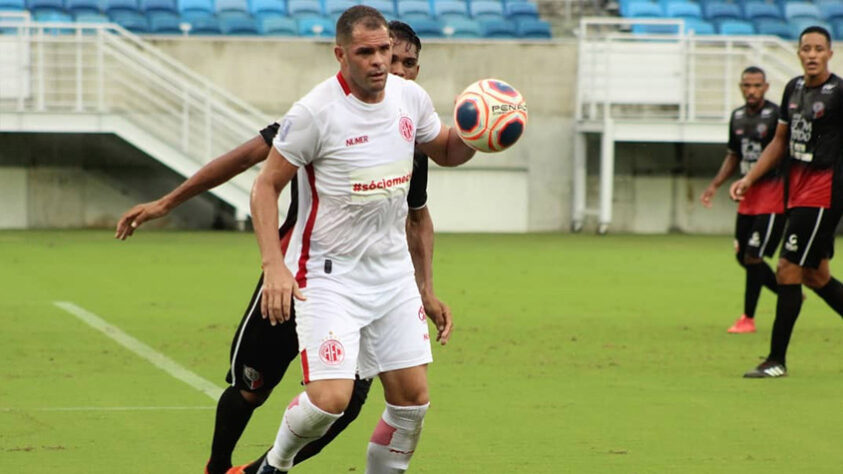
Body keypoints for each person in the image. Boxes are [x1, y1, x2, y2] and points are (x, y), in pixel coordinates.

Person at [114, 21, 452, 474]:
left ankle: (262, 470)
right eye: (391, 59)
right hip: (298, 279)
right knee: (251, 387)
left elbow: (417, 217)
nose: (399, 70)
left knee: (342, 405)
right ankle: (218, 466)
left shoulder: (411, 130)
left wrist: (426, 289)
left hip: (374, 287)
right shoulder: (321, 114)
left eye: (408, 62)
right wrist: (168, 202)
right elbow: (247, 163)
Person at [248, 6, 475, 473]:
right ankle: (276, 463)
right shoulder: (315, 112)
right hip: (328, 275)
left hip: (391, 274)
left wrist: (482, 132)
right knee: (330, 400)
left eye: (384, 51)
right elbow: (264, 186)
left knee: (411, 403)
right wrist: (274, 264)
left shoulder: (410, 98)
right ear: (341, 55)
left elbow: (448, 149)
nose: (377, 61)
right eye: (365, 52)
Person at [730, 26, 843, 378]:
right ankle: (776, 360)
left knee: (787, 268)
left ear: (829, 54)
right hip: (796, 189)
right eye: (806, 48)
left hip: (824, 190)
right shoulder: (793, 88)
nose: (812, 54)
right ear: (798, 53)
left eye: (818, 49)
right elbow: (779, 142)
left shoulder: (839, 92)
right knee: (816, 275)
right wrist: (749, 178)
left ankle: (776, 360)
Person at [700, 66, 783, 334]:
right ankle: (787, 290)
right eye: (746, 86)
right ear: (740, 87)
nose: (751, 91)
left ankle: (748, 318)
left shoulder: (776, 116)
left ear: (766, 87)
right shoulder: (736, 117)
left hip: (772, 195)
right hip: (747, 196)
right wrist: (715, 185)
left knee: (753, 256)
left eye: (757, 86)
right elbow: (734, 155)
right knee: (742, 256)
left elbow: (782, 152)